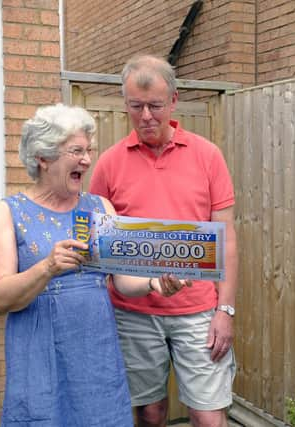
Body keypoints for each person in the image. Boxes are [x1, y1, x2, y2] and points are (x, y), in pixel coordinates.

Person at [0, 103, 189, 426]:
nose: (87, 159)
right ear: (43, 157)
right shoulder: (7, 214)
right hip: (39, 353)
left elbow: (122, 280)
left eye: (88, 150)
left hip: (96, 352)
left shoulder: (100, 207)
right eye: (76, 151)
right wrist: (47, 268)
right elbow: (1, 296)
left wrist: (154, 284)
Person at [89, 54, 238, 427]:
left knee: (208, 416)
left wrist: (226, 310)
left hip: (199, 312)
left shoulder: (207, 156)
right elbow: (95, 241)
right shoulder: (108, 163)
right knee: (149, 414)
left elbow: (228, 240)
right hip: (133, 313)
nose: (145, 116)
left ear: (173, 100)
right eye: (135, 106)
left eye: (154, 106)